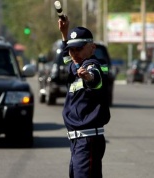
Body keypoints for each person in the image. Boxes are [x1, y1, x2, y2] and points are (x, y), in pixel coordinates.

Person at [58, 16, 111, 178]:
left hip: (87, 140)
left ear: (92, 48)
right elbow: (68, 59)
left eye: (79, 49)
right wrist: (64, 34)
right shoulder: (76, 67)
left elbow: (95, 79)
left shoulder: (93, 65)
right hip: (78, 141)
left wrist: (88, 77)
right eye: (72, 50)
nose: (74, 54)